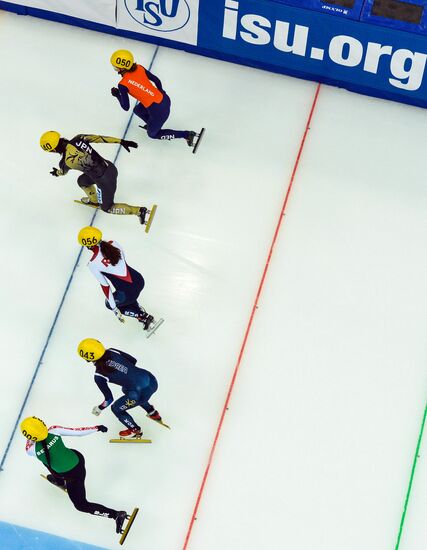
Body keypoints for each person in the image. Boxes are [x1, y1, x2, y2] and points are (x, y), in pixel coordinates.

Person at [21, 416, 128, 532]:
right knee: (52, 459)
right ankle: (60, 480)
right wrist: (97, 428)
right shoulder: (54, 430)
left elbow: (31, 442)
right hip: (78, 458)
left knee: (81, 505)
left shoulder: (30, 450)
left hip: (73, 477)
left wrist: (33, 437)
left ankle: (116, 514)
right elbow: (78, 433)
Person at [40, 130, 151, 227]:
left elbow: (62, 172)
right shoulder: (79, 138)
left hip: (105, 182)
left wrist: (57, 173)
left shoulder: (65, 162)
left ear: (53, 150)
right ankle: (94, 200)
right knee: (82, 181)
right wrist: (121, 141)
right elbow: (100, 138)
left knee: (107, 208)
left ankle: (139, 211)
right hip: (110, 167)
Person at [77, 225, 162, 332]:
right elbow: (123, 261)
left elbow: (105, 287)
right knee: (124, 294)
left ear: (87, 245)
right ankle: (137, 308)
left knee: (110, 303)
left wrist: (114, 309)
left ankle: (142, 316)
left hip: (128, 293)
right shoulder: (113, 243)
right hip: (139, 280)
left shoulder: (93, 264)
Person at [110, 49, 198, 148]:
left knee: (152, 134)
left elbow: (126, 107)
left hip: (158, 112)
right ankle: (152, 124)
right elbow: (156, 80)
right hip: (165, 99)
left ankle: (186, 135)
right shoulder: (139, 68)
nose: (115, 69)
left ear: (122, 68)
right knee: (137, 110)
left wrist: (117, 95)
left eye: (115, 67)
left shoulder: (122, 85)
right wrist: (161, 92)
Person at [77, 339, 162, 438]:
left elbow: (109, 399)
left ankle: (135, 430)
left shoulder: (99, 375)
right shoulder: (112, 351)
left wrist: (99, 408)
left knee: (116, 408)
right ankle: (152, 412)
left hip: (138, 394)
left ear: (87, 359)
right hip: (151, 379)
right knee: (127, 390)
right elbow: (133, 361)